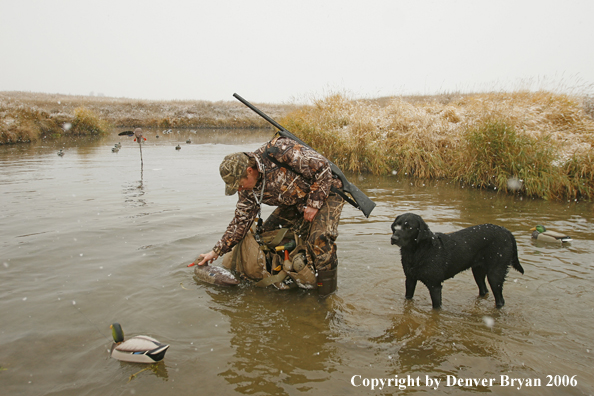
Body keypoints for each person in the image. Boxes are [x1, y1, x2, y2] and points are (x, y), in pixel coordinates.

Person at [195, 135, 345, 295]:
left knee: (319, 240)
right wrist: (216, 251)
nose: (239, 190)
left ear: (249, 171)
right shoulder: (247, 190)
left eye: (239, 185)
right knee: (267, 236)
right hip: (295, 201)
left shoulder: (278, 150)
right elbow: (240, 222)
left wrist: (314, 203)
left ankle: (326, 296)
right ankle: (292, 275)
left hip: (328, 190)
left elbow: (323, 167)